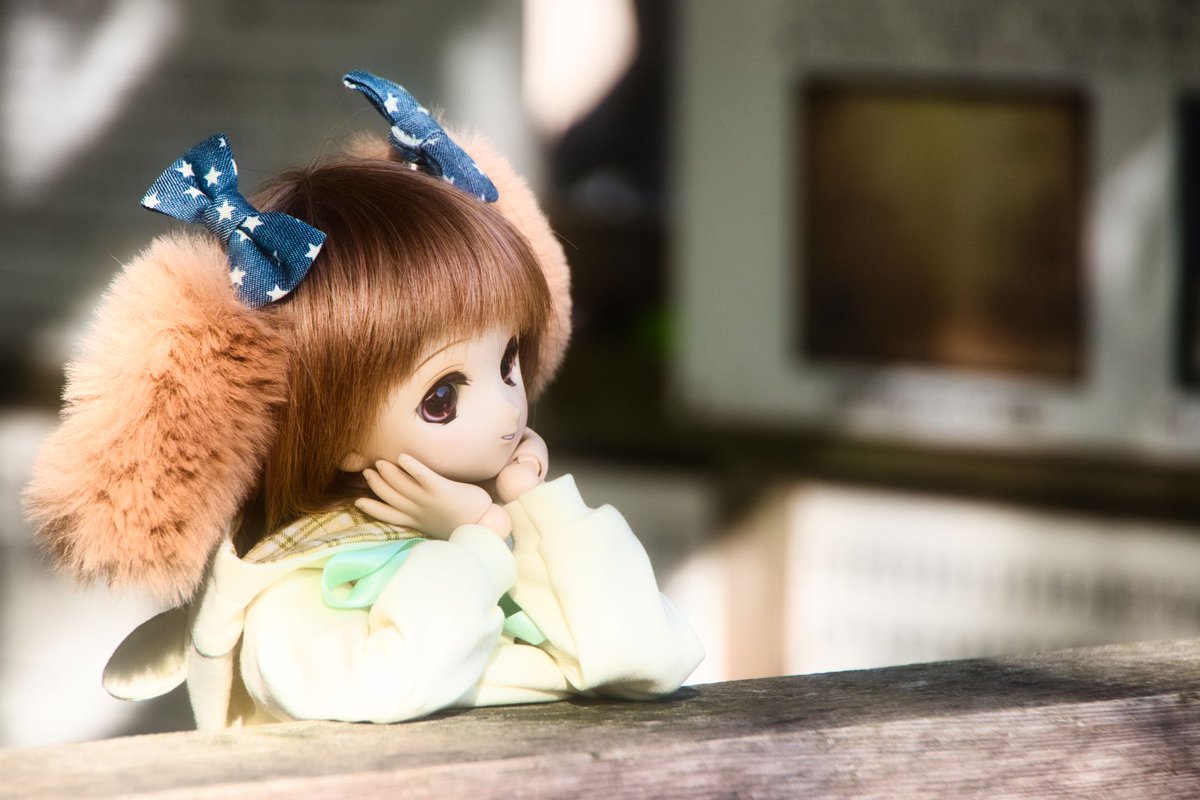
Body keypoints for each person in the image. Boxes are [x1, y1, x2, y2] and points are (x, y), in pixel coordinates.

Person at [25, 71, 702, 728]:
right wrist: (473, 545)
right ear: (336, 428)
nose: (507, 409)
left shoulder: (503, 533)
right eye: (443, 396)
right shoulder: (294, 589)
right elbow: (391, 683)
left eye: (508, 363)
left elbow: (651, 658)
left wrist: (535, 507)